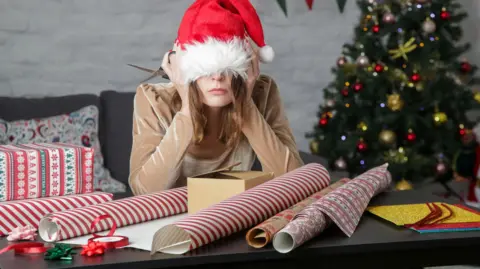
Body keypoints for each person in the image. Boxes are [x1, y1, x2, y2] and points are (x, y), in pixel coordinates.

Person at [128, 0, 304, 195]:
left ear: (245, 66)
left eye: (227, 66)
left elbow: (296, 183)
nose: (217, 77)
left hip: (233, 217)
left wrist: (245, 105)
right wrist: (187, 110)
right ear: (186, 67)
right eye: (205, 67)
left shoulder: (261, 93)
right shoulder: (155, 100)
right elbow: (143, 191)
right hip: (173, 221)